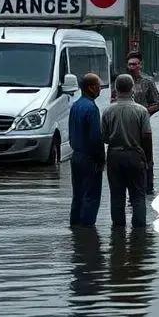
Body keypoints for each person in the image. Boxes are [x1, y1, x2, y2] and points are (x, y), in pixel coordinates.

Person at [102, 74, 153, 227]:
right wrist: (148, 161)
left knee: (117, 197)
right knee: (138, 197)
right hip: (136, 156)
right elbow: (147, 137)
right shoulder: (142, 111)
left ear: (116, 90)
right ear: (132, 89)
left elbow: (104, 138)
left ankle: (118, 235)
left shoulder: (107, 111)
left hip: (114, 157)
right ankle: (139, 236)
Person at [124, 51, 159, 195]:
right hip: (125, 128)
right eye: (129, 64)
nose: (132, 67)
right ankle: (131, 188)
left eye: (134, 64)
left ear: (140, 65)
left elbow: (157, 104)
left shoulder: (147, 82)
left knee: (147, 157)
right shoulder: (122, 82)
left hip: (143, 127)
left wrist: (144, 113)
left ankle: (148, 187)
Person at [68, 73, 105, 227]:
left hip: (76, 156)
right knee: (91, 195)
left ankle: (75, 229)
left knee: (78, 195)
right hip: (89, 158)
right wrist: (101, 159)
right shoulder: (92, 108)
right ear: (90, 88)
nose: (100, 89)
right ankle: (87, 234)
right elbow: (96, 138)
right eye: (98, 86)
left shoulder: (75, 106)